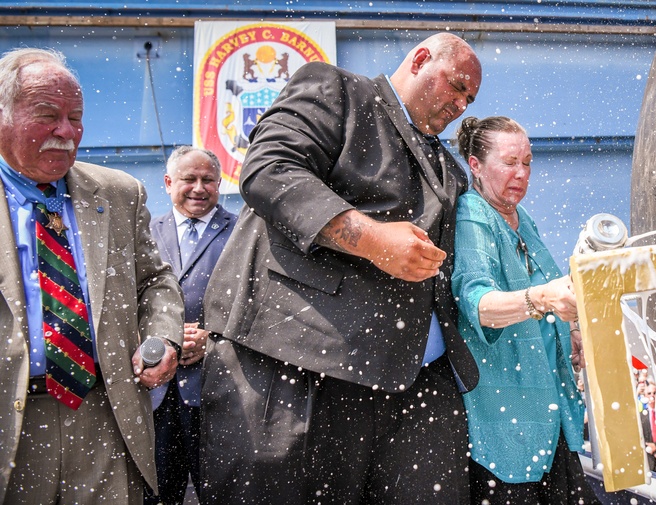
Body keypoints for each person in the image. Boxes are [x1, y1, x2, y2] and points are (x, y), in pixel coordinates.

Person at [199, 33, 482, 504]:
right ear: (420, 60)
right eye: (455, 86)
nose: (460, 103)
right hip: (300, 365)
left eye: (469, 99)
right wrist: (372, 241)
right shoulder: (338, 90)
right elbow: (269, 170)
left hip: (414, 383)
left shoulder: (449, 167)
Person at [0, 48, 183, 504]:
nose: (65, 131)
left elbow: (156, 281)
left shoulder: (119, 193)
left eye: (75, 117)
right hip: (13, 419)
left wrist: (165, 337)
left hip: (106, 414)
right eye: (47, 116)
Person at [451, 116, 600, 504]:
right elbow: (478, 303)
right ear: (476, 165)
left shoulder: (522, 218)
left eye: (528, 162)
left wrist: (572, 332)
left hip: (549, 419)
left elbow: (548, 294)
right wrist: (543, 300)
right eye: (510, 161)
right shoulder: (473, 214)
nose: (521, 173)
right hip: (506, 426)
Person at [145, 146, 235, 505]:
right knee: (156, 491)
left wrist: (212, 339)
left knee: (221, 491)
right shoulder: (144, 232)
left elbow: (260, 307)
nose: (199, 188)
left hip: (219, 389)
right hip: (156, 392)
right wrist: (161, 337)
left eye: (208, 180)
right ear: (168, 183)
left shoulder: (243, 233)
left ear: (219, 184)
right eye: (189, 179)